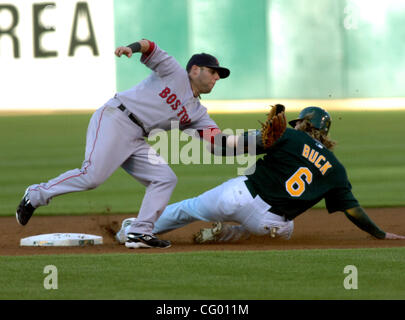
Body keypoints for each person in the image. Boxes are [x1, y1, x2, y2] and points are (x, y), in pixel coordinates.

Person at [16, 38, 230, 249]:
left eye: (218, 75)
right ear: (195, 70)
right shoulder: (174, 72)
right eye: (213, 72)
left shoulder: (197, 112)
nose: (217, 77)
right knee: (92, 177)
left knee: (164, 178)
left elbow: (217, 139)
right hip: (116, 118)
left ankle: (139, 232)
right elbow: (150, 46)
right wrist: (131, 48)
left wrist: (254, 141)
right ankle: (35, 195)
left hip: (136, 137)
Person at [115, 106, 405, 245]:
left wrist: (233, 138)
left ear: (304, 124)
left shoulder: (289, 136)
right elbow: (352, 210)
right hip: (269, 224)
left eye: (299, 121)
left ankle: (133, 232)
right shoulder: (336, 170)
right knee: (287, 228)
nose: (295, 124)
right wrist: (379, 233)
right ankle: (226, 233)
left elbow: (229, 149)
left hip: (237, 197)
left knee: (188, 209)